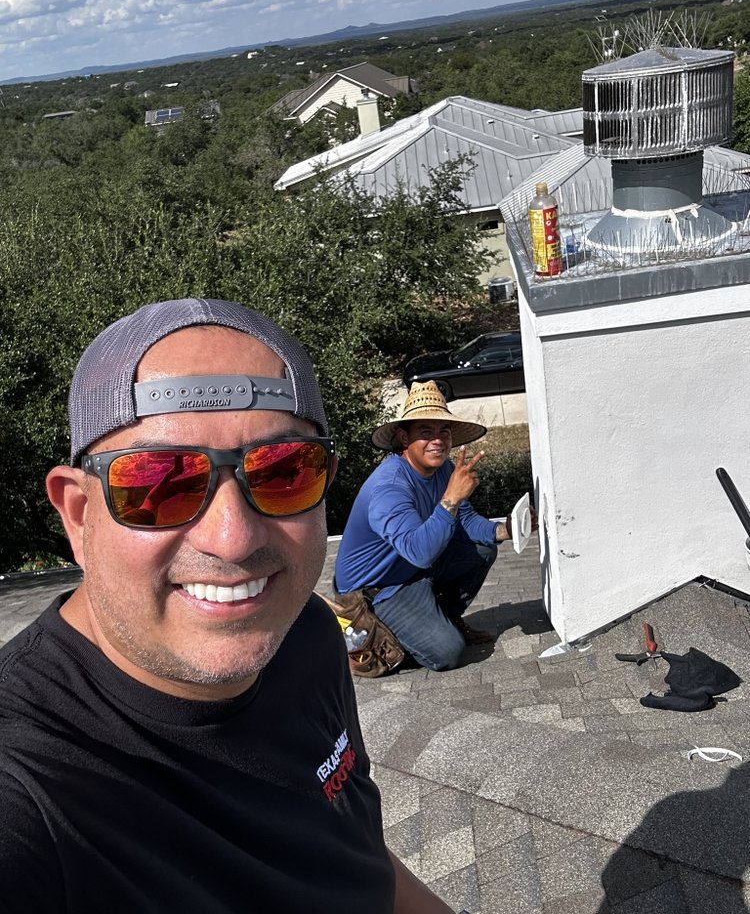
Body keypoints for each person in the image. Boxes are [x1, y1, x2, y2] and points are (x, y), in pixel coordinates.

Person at [0, 299, 456, 914]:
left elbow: (350, 847)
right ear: (79, 516)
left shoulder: (309, 635)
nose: (233, 538)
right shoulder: (32, 792)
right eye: (159, 483)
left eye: (285, 471)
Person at [334, 379, 533, 672]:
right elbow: (420, 552)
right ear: (404, 438)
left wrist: (504, 530)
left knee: (482, 549)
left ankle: (444, 620)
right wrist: (451, 498)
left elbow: (465, 521)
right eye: (426, 432)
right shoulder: (388, 488)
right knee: (448, 653)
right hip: (378, 591)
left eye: (444, 432)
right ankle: (382, 641)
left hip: (413, 570)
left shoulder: (444, 470)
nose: (437, 440)